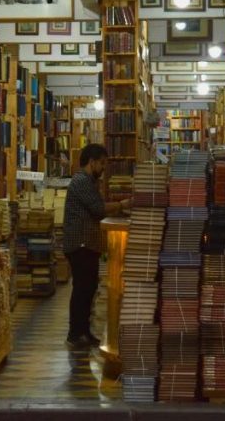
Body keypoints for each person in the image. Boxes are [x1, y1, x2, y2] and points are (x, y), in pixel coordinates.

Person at [62, 143, 131, 348]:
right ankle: (76, 334)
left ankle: (83, 332)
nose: (103, 168)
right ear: (91, 162)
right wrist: (124, 204)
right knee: (82, 289)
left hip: (86, 244)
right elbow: (98, 209)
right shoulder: (82, 181)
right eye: (101, 163)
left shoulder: (88, 181)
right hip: (80, 245)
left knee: (87, 288)